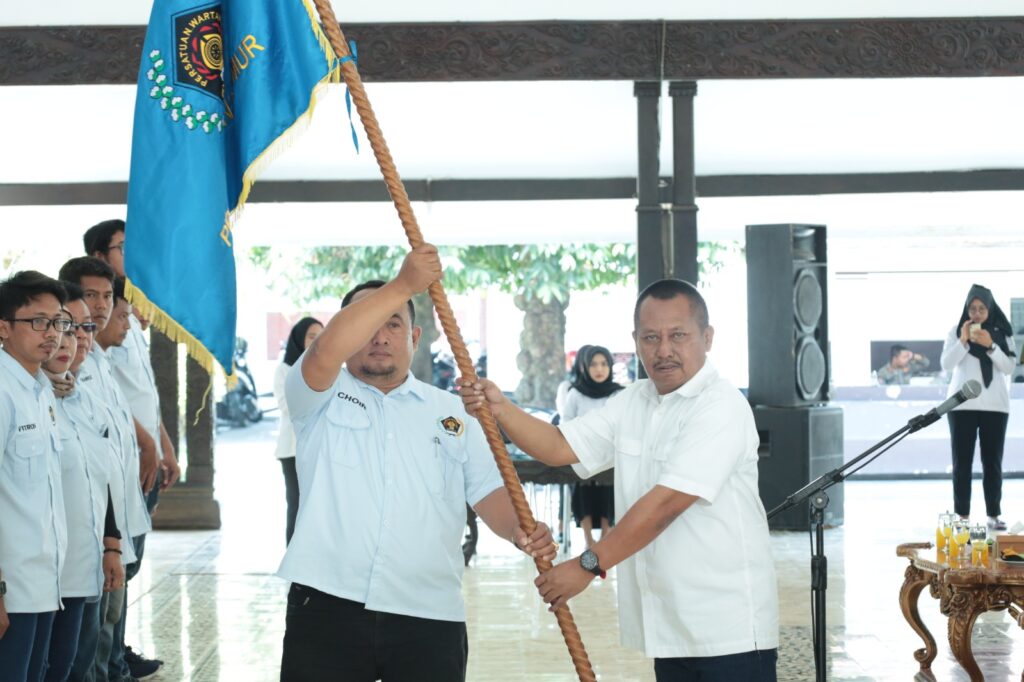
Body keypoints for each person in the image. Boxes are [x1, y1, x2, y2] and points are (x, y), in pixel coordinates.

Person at [461, 278, 779, 681]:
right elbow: (560, 445)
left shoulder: (722, 406)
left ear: (707, 337)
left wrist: (586, 565)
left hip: (727, 629)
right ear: (635, 340)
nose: (663, 350)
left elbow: (664, 506)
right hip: (670, 628)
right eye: (651, 337)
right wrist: (501, 408)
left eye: (678, 335)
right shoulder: (634, 401)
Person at [277, 245, 556, 682]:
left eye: (392, 322)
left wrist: (519, 530)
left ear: (415, 336)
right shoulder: (314, 395)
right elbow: (326, 351)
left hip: (428, 611)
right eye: (366, 322)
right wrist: (403, 285)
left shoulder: (455, 410)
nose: (379, 335)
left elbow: (486, 489)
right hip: (327, 607)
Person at [41, 287, 125, 682]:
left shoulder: (80, 396)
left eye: (76, 330)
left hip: (83, 559)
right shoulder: (30, 395)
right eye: (61, 326)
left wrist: (111, 543)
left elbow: (100, 478)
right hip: (40, 569)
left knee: (75, 663)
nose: (68, 339)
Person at [0, 271, 69, 682]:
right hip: (13, 589)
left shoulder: (42, 389)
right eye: (38, 322)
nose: (53, 333)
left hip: (45, 582)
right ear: (3, 328)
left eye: (58, 322)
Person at [940, 284, 1017, 531]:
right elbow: (946, 364)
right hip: (961, 406)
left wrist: (991, 345)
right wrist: (964, 341)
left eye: (982, 308)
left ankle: (993, 514)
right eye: (972, 308)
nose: (976, 313)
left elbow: (1009, 368)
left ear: (990, 309)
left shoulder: (1003, 334)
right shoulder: (955, 332)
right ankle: (962, 516)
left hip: (995, 406)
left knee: (992, 462)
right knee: (961, 462)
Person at [562, 345, 622, 548]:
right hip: (581, 453)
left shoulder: (618, 394)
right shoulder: (576, 393)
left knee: (609, 488)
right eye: (594, 364)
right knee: (582, 487)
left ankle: (605, 538)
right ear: (585, 367)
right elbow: (566, 422)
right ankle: (588, 540)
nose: (599, 369)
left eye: (604, 364)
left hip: (610, 454)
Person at [273, 316, 323, 544]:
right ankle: (293, 561)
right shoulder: (285, 369)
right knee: (296, 502)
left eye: (321, 337)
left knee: (318, 505)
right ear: (299, 339)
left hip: (320, 447)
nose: (317, 341)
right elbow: (286, 406)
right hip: (292, 448)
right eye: (312, 336)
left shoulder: (327, 368)